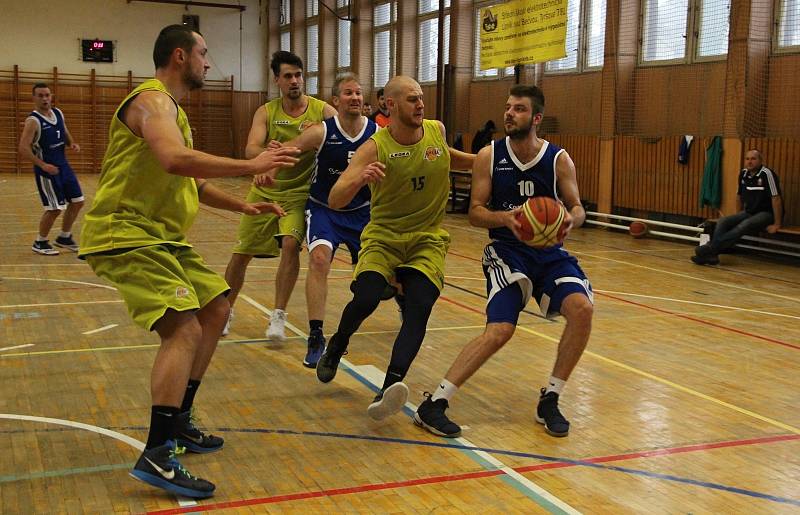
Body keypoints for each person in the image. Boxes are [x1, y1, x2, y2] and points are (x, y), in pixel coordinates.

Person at [78, 25, 300, 498]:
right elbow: (175, 160)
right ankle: (158, 452)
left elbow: (190, 182)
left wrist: (243, 204)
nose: (208, 62)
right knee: (184, 327)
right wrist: (250, 167)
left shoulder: (173, 111)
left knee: (217, 306)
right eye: (203, 53)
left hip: (161, 236)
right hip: (126, 231)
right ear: (180, 56)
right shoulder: (152, 101)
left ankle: (178, 420)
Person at [413, 85, 594, 439]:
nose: (509, 114)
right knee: (500, 331)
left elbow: (577, 206)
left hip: (549, 254)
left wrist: (571, 220)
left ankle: (551, 398)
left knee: (583, 310)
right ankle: (434, 403)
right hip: (506, 252)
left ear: (537, 118)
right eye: (508, 108)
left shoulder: (559, 159)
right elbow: (475, 213)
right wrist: (508, 218)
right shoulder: (488, 155)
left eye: (519, 109)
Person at [315, 76, 475, 420]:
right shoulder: (374, 147)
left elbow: (451, 159)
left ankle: (389, 387)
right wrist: (358, 178)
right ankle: (337, 344)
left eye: (421, 98)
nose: (420, 105)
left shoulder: (437, 132)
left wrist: (487, 162)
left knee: (419, 307)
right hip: (384, 238)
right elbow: (334, 198)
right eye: (412, 99)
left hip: (426, 240)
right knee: (368, 295)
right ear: (391, 105)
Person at [253, 73, 378, 368]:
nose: (356, 98)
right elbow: (290, 150)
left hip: (362, 212)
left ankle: (397, 295)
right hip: (324, 210)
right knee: (319, 259)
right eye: (348, 93)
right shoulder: (321, 131)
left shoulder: (376, 134)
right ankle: (316, 334)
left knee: (376, 277)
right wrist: (268, 167)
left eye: (359, 93)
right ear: (336, 101)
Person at [223, 51, 336, 339]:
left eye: (298, 75)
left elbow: (342, 138)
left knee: (289, 244)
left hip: (300, 194)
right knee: (241, 253)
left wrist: (320, 135)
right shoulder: (266, 111)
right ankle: (224, 310)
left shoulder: (322, 112)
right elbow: (251, 150)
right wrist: (268, 155)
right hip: (264, 192)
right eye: (288, 76)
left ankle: (278, 316)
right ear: (277, 80)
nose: (295, 81)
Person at [18, 83, 85, 255]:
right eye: (40, 95)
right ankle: (40, 242)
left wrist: (72, 143)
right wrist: (43, 165)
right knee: (54, 208)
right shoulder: (33, 121)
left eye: (47, 95)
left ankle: (64, 237)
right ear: (33, 98)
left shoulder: (58, 113)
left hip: (63, 166)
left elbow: (64, 131)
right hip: (47, 171)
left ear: (51, 96)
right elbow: (23, 148)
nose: (44, 99)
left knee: (78, 202)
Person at [692, 149, 783, 265]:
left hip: (766, 213)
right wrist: (738, 214)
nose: (750, 162)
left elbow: (776, 199)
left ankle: (711, 249)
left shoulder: (767, 174)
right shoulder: (743, 174)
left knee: (745, 224)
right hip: (749, 212)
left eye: (753, 159)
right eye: (747, 159)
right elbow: (738, 196)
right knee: (723, 221)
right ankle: (712, 256)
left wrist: (777, 223)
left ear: (760, 161)